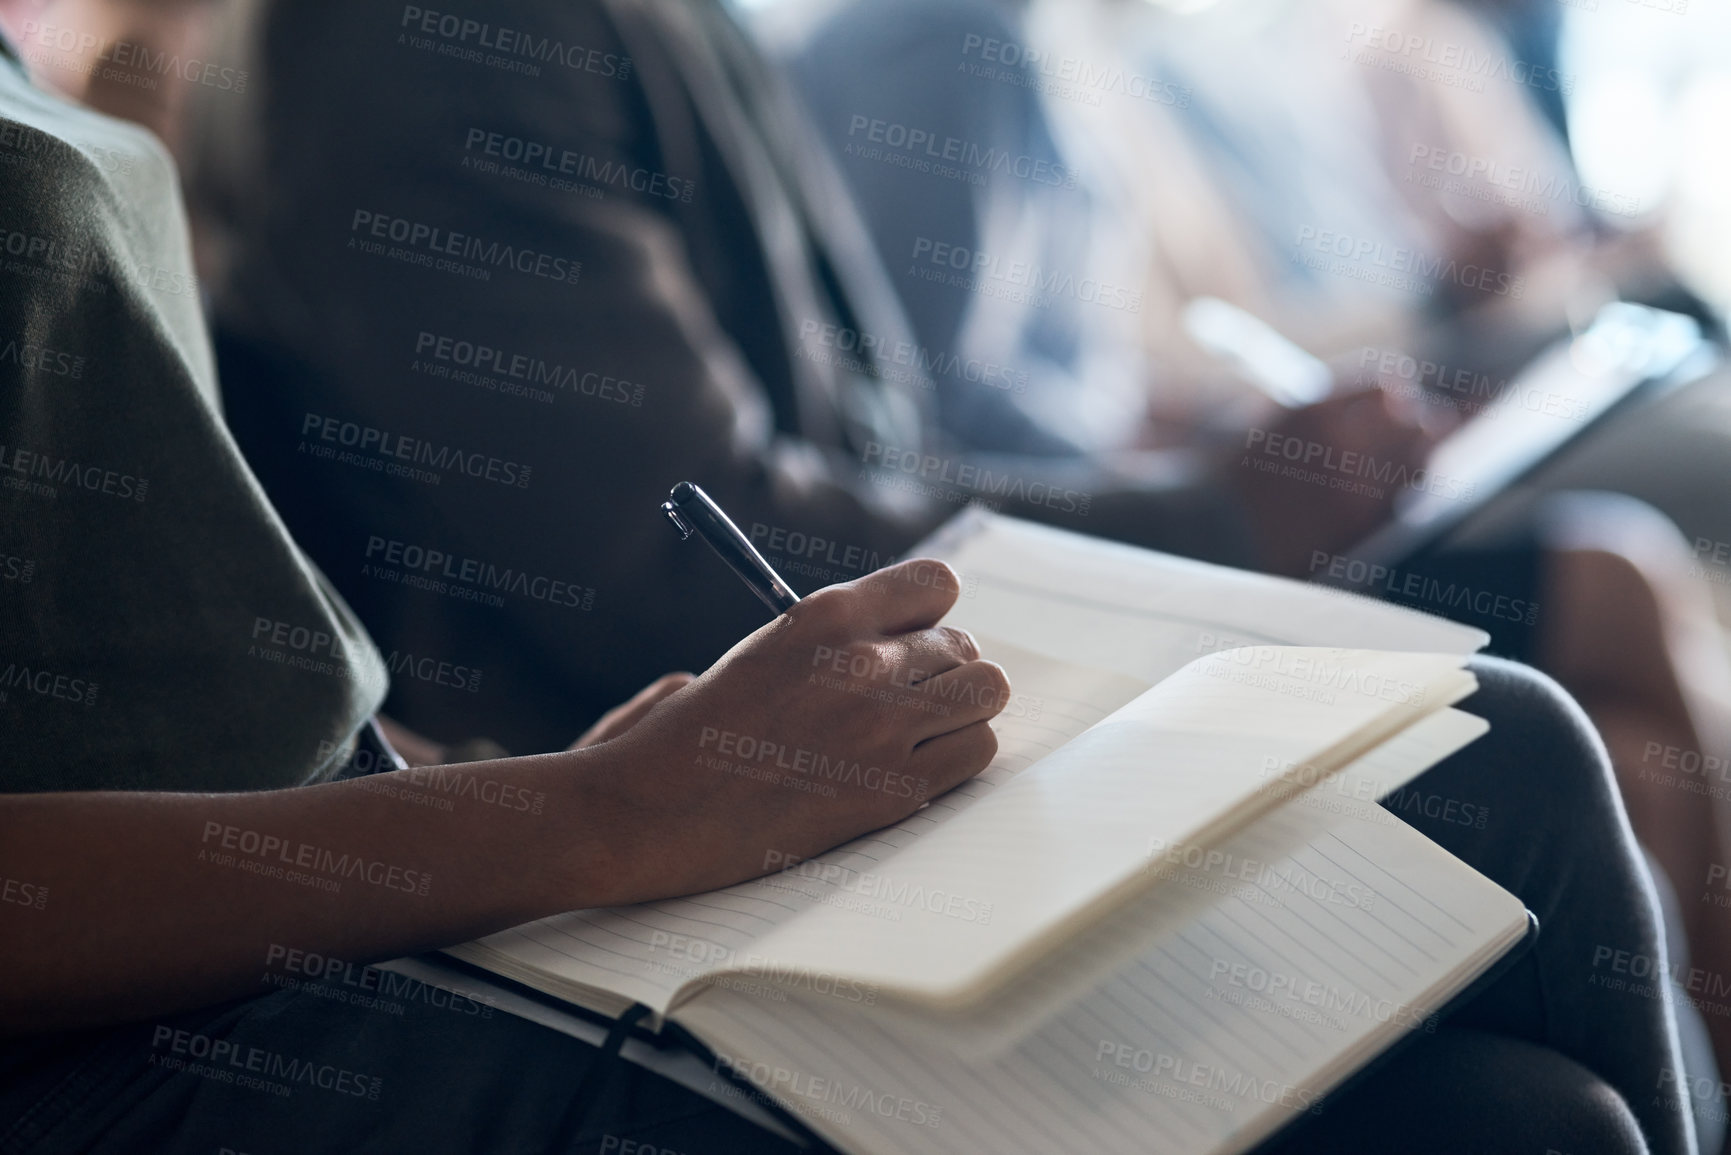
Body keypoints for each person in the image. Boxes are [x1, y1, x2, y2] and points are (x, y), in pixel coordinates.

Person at [0, 13, 1703, 1154]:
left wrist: (515, 790)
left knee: (1521, 804)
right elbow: (659, 551)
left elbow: (222, 654)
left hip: (456, 813)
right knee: (1512, 855)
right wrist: (584, 817)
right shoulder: (416, 40)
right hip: (276, 954)